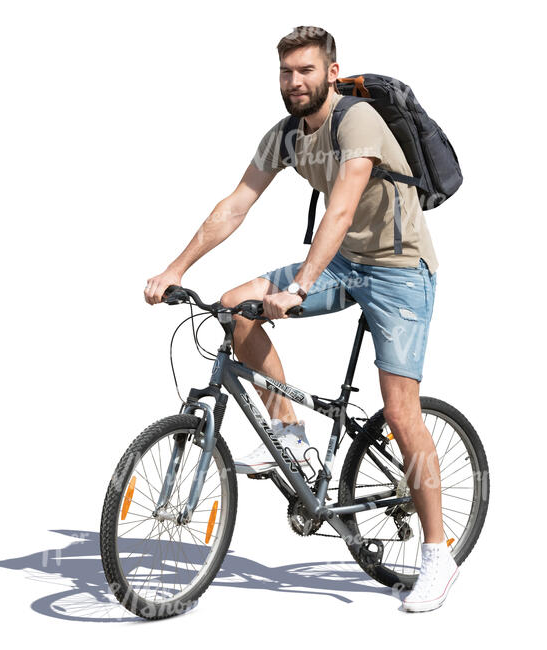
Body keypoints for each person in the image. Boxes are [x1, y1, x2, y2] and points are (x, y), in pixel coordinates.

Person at [144, 26, 459, 613]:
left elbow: (340, 208)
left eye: (307, 71)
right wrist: (176, 268)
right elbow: (235, 203)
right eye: (287, 72)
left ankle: (438, 554)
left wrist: (301, 286)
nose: (295, 82)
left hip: (399, 268)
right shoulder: (286, 136)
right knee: (238, 309)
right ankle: (293, 437)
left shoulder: (357, 120)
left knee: (399, 410)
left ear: (331, 73)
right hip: (342, 262)